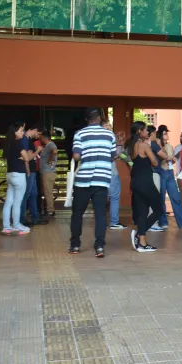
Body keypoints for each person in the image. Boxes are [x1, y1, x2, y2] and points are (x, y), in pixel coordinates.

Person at [68, 107, 117, 258]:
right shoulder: (109, 135)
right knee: (101, 214)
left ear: (86, 119)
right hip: (101, 180)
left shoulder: (80, 134)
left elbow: (76, 156)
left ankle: (75, 245)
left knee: (77, 214)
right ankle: (99, 246)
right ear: (99, 118)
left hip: (83, 180)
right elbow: (113, 155)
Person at [127, 121, 164, 252]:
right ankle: (140, 233)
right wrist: (150, 147)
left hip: (136, 182)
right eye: (145, 130)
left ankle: (142, 242)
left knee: (142, 211)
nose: (148, 132)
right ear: (139, 132)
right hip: (145, 182)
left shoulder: (131, 146)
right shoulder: (143, 145)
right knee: (159, 209)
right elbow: (154, 162)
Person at [2, 122, 30, 236]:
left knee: (8, 202)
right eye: (20, 131)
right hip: (19, 174)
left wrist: (21, 157)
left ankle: (6, 227)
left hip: (10, 174)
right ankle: (17, 225)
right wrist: (23, 158)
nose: (22, 132)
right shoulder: (18, 143)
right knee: (17, 203)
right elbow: (27, 157)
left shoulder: (7, 143)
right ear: (15, 132)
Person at [153, 125, 182, 230]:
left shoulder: (170, 146)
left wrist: (173, 159)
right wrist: (167, 157)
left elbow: (172, 158)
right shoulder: (156, 144)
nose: (167, 135)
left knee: (176, 198)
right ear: (160, 135)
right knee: (161, 199)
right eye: (165, 133)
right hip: (162, 172)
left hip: (170, 172)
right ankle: (163, 222)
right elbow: (158, 158)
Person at [103, 119, 129, 230]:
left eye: (110, 125)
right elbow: (115, 155)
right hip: (111, 172)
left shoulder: (97, 140)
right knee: (114, 197)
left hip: (100, 173)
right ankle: (114, 222)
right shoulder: (110, 138)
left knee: (101, 198)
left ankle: (102, 222)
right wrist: (122, 154)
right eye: (107, 125)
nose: (109, 127)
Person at [20, 125, 42, 227]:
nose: (38, 136)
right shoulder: (25, 140)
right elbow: (27, 157)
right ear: (33, 130)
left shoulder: (28, 140)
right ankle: (22, 218)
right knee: (26, 194)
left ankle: (35, 217)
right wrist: (37, 151)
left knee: (34, 193)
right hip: (29, 171)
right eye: (38, 133)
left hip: (32, 170)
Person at [38, 130, 58, 220]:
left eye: (41, 137)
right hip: (45, 172)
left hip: (48, 172)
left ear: (44, 137)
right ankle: (49, 209)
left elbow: (54, 151)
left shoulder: (51, 145)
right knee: (46, 191)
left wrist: (50, 159)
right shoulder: (46, 146)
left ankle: (50, 210)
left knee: (48, 192)